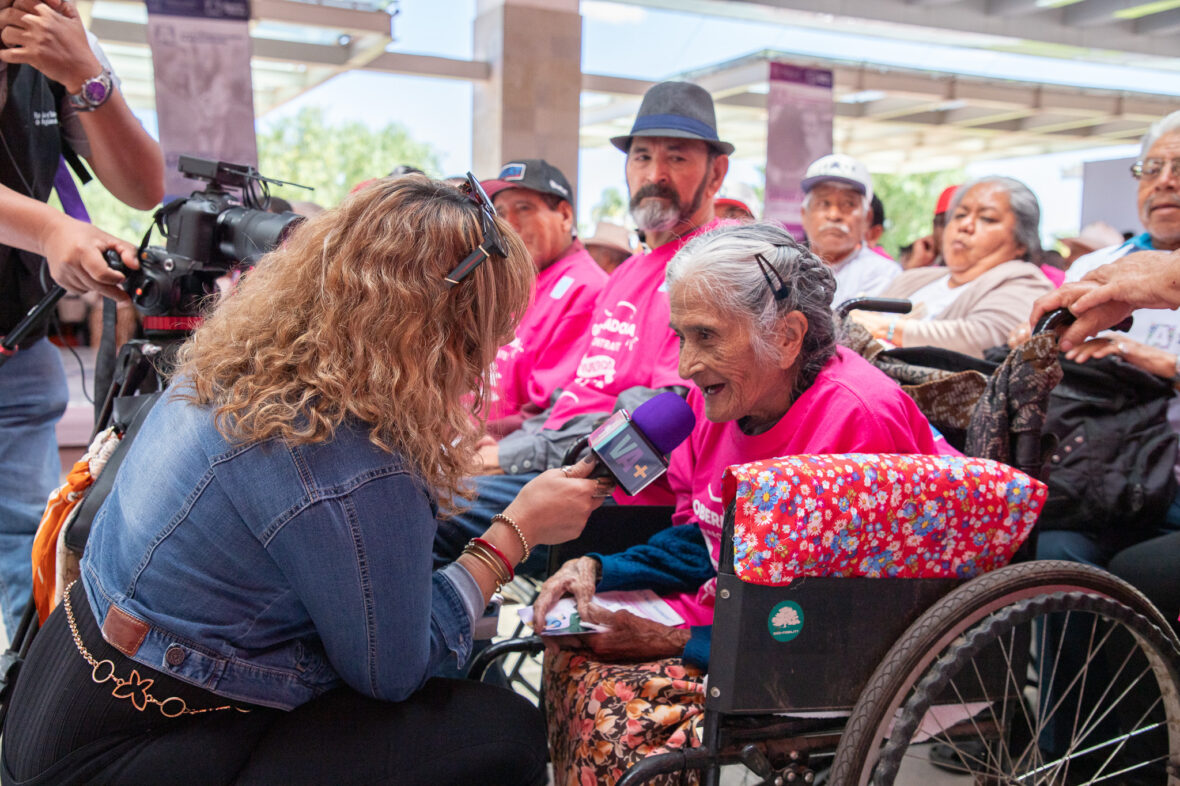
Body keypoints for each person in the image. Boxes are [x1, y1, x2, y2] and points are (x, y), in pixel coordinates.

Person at [2, 176, 608, 785]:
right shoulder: (354, 459)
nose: (500, 343)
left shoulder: (231, 363)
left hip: (60, 693)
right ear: (442, 329)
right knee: (501, 731)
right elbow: (393, 672)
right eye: (495, 323)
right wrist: (512, 536)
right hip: (127, 748)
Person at [533, 222, 943, 786]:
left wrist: (673, 641)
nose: (684, 367)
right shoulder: (716, 403)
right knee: (571, 651)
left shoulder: (857, 419)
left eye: (705, 336)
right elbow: (706, 537)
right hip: (738, 614)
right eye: (681, 336)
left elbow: (844, 622)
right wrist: (599, 568)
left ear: (788, 337)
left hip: (820, 648)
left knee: (621, 714)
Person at [434, 80, 731, 573]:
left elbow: (666, 414)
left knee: (429, 511)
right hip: (562, 462)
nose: (654, 174)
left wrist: (520, 459)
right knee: (409, 496)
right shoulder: (632, 271)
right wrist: (509, 446)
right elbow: (576, 396)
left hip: (623, 493)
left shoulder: (711, 263)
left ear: (716, 172)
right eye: (641, 157)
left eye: (677, 158)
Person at [0, 0, 163, 637]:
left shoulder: (56, 42)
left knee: (27, 553)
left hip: (20, 355)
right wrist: (50, 228)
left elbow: (144, 185)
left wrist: (83, 74)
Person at [849, 176, 1052, 359]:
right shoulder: (914, 278)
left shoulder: (1025, 282)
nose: (965, 225)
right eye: (960, 215)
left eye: (987, 218)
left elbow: (982, 339)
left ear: (1021, 242)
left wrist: (887, 328)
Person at [480, 158, 608, 436]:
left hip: (509, 454)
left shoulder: (586, 288)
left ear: (564, 215)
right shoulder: (519, 278)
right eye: (499, 212)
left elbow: (550, 408)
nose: (508, 224)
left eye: (524, 208)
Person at [799, 153, 900, 308]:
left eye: (848, 204)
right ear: (804, 215)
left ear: (867, 218)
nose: (834, 215)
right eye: (824, 203)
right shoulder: (787, 269)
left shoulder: (884, 274)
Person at [904, 184, 958, 270]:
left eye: (957, 223)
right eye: (943, 223)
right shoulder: (925, 268)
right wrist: (914, 264)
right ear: (933, 226)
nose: (949, 231)